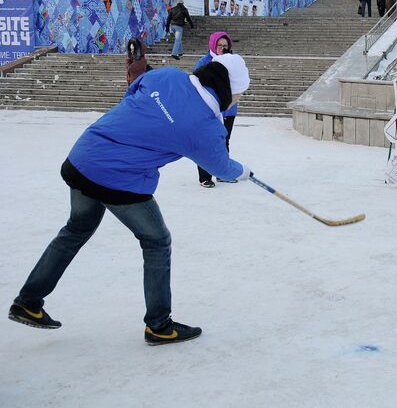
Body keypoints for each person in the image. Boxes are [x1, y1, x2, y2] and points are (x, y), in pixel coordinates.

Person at [7, 53, 252, 345]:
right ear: (228, 88)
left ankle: (28, 301)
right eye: (240, 92)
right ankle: (160, 325)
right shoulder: (205, 127)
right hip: (120, 180)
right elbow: (221, 167)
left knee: (76, 229)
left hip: (84, 157)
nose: (239, 98)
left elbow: (133, 90)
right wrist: (244, 172)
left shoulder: (168, 76)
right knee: (157, 241)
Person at [194, 33, 239, 188]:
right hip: (209, 110)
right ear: (213, 45)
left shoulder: (233, 62)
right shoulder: (205, 62)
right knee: (207, 142)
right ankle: (205, 176)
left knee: (224, 142)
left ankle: (223, 173)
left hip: (229, 110)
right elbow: (197, 84)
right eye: (219, 45)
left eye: (225, 46)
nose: (222, 48)